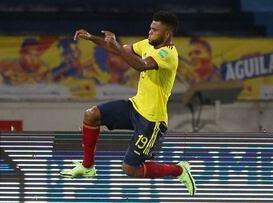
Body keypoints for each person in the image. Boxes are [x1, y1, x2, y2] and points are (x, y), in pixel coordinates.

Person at [60, 10, 196, 196]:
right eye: (150, 28)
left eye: (155, 30)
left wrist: (115, 43)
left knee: (130, 169)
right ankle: (87, 166)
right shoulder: (147, 43)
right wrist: (91, 37)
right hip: (135, 106)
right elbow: (118, 50)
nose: (150, 32)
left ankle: (179, 170)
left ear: (167, 34)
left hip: (151, 120)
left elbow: (141, 65)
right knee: (91, 115)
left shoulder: (167, 54)